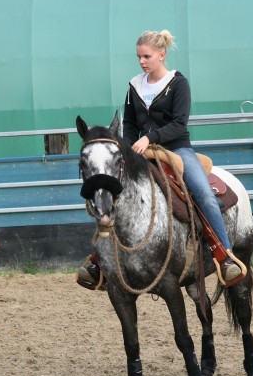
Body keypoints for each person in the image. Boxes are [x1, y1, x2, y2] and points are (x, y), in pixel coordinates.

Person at [78, 29, 243, 288]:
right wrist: (130, 147)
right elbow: (130, 124)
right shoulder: (134, 85)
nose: (142, 61)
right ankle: (100, 259)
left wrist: (150, 138)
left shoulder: (178, 84)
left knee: (205, 195)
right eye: (139, 57)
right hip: (141, 151)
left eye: (147, 56)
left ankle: (225, 256)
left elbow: (179, 124)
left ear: (161, 55)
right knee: (116, 191)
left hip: (177, 150)